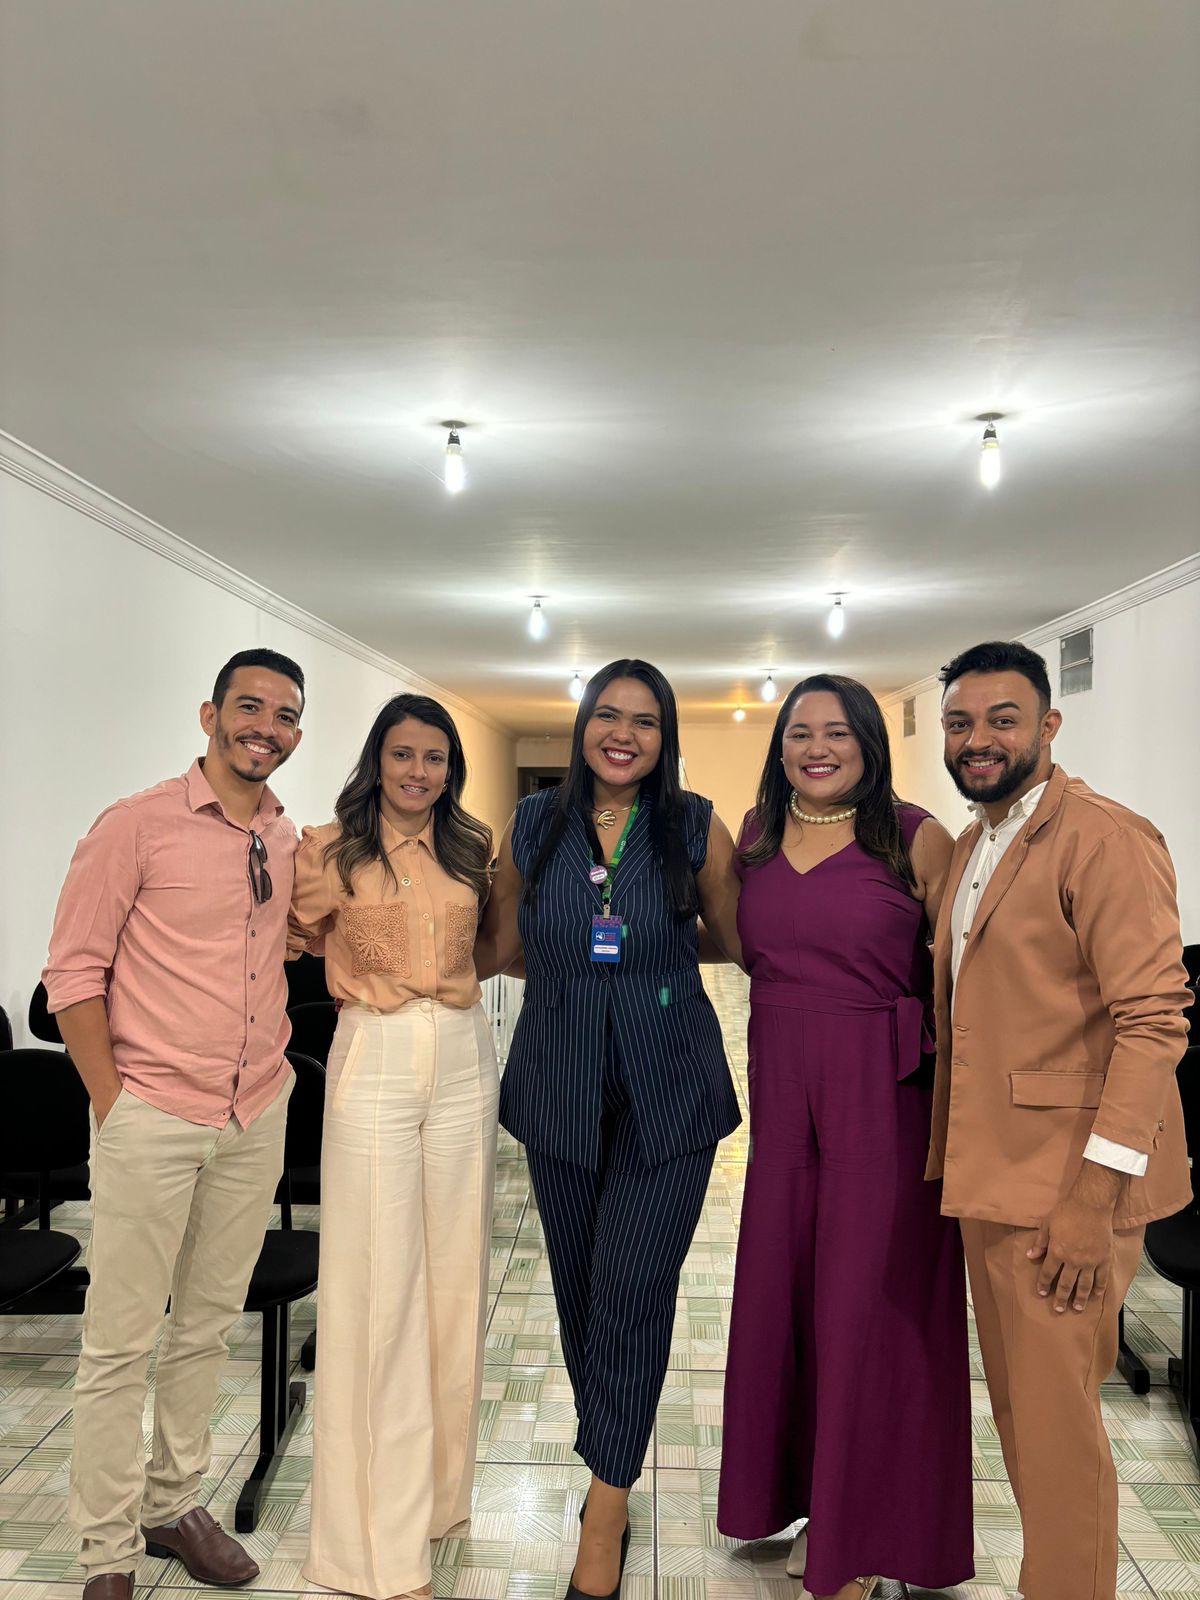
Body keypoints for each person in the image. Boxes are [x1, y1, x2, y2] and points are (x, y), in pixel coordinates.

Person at [43, 648, 307, 1600]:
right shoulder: (136, 825)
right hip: (151, 1113)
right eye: (249, 707)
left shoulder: (285, 837)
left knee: (204, 1328)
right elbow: (72, 973)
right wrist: (113, 1105)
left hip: (254, 1111)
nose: (265, 728)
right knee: (118, 1344)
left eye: (284, 716)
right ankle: (104, 1550)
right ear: (209, 714)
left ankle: (173, 1502)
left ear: (296, 735)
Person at [931, 640, 1191, 1600]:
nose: (979, 739)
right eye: (960, 722)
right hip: (994, 1177)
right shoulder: (978, 842)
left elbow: (1154, 1021)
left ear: (1048, 725)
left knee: (1058, 1439)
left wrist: (1092, 1201)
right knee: (1024, 1425)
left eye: (1003, 720)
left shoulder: (1103, 837)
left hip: (1065, 1191)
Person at [476, 659, 741, 1600]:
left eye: (645, 721)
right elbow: (500, 944)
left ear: (666, 738)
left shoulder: (693, 824)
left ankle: (606, 1505)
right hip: (558, 1085)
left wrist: (647, 954)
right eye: (608, 715)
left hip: (671, 1091)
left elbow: (734, 937)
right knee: (582, 1294)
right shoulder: (533, 824)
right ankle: (614, 1460)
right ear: (583, 724)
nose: (623, 734)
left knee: (632, 1288)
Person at [716, 674, 974, 1600]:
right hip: (783, 1095)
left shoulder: (915, 837)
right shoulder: (754, 836)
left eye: (836, 732)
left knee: (869, 1306)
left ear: (869, 741)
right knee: (787, 1296)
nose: (816, 748)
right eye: (799, 733)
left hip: (883, 1097)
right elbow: (731, 944)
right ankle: (802, 1499)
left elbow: (968, 974)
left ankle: (862, 1530)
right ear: (779, 745)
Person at [290, 693, 497, 1600]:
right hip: (372, 1050)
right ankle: (372, 1549)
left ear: (452, 769)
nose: (419, 772)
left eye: (435, 758)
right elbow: (281, 943)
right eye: (404, 754)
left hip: (463, 1053)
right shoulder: (327, 849)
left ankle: (436, 1503)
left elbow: (496, 947)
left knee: (455, 1281)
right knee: (376, 1288)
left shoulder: (471, 847)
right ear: (377, 758)